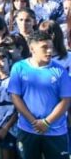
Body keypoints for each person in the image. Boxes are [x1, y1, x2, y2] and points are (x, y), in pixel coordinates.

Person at [8, 30, 71, 159]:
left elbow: (66, 100)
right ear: (32, 49)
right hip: (28, 130)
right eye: (44, 47)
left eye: (51, 47)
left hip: (55, 132)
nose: (49, 51)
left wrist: (47, 122)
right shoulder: (18, 68)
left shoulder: (60, 71)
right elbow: (15, 96)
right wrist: (34, 122)